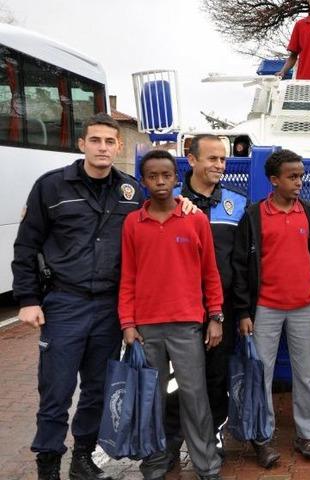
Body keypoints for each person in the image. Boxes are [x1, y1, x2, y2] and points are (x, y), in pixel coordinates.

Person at [12, 113, 143, 480]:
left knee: (97, 390)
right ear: (82, 144)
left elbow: (154, 224)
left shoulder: (130, 192)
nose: (103, 148)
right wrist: (27, 299)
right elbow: (26, 245)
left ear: (118, 147)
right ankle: (49, 463)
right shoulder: (51, 187)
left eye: (110, 142)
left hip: (109, 307)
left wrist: (186, 205)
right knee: (56, 391)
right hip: (64, 304)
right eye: (96, 140)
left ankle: (83, 459)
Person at [119, 150, 224, 480]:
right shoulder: (133, 222)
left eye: (166, 175)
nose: (160, 181)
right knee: (151, 398)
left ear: (176, 178)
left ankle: (207, 463)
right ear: (144, 181)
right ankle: (154, 461)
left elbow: (210, 273)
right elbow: (128, 277)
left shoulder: (195, 220)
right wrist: (127, 323)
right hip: (146, 328)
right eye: (153, 176)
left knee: (195, 398)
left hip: (187, 324)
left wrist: (215, 316)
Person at [232, 149, 310, 466]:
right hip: (265, 308)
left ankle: (308, 435)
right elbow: (241, 265)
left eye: (301, 175)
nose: (299, 182)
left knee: (306, 372)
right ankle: (262, 438)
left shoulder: (309, 212)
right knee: (262, 374)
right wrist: (244, 311)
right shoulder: (254, 215)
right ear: (274, 180)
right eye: (292, 176)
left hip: (303, 305)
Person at [162, 135, 247, 466]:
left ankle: (210, 436)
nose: (219, 165)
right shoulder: (167, 201)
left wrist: (238, 311)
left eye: (223, 160)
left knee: (216, 377)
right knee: (173, 379)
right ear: (191, 159)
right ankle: (171, 439)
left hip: (219, 310)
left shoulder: (237, 204)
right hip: (176, 307)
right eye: (212, 158)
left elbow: (242, 264)